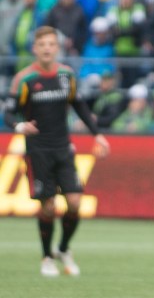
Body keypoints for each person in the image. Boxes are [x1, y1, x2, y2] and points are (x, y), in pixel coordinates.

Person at [3, 26, 110, 277]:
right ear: (35, 49)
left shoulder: (67, 75)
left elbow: (80, 106)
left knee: (74, 202)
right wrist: (19, 125)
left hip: (64, 147)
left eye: (51, 44)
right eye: (42, 45)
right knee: (48, 207)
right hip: (38, 151)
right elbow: (8, 112)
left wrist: (98, 135)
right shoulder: (24, 79)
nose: (47, 48)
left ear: (57, 47)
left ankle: (63, 248)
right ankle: (46, 257)